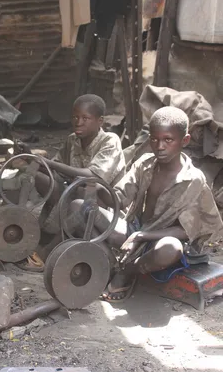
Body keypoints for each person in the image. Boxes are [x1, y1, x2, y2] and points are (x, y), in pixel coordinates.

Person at [0, 93, 125, 270]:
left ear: (100, 121)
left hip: (102, 205)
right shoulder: (73, 140)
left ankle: (44, 255)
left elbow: (91, 176)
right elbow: (55, 170)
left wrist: (48, 162)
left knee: (83, 193)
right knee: (37, 178)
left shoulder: (110, 141)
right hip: (75, 192)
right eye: (75, 117)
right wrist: (32, 158)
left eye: (85, 118)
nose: (78, 122)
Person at [74, 105, 223, 301]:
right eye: (154, 139)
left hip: (160, 241)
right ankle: (109, 264)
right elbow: (119, 198)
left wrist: (143, 236)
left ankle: (127, 272)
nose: (160, 146)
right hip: (135, 231)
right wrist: (99, 187)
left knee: (171, 248)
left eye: (168, 140)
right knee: (79, 206)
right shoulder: (145, 164)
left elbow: (186, 231)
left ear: (184, 140)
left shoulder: (193, 179)